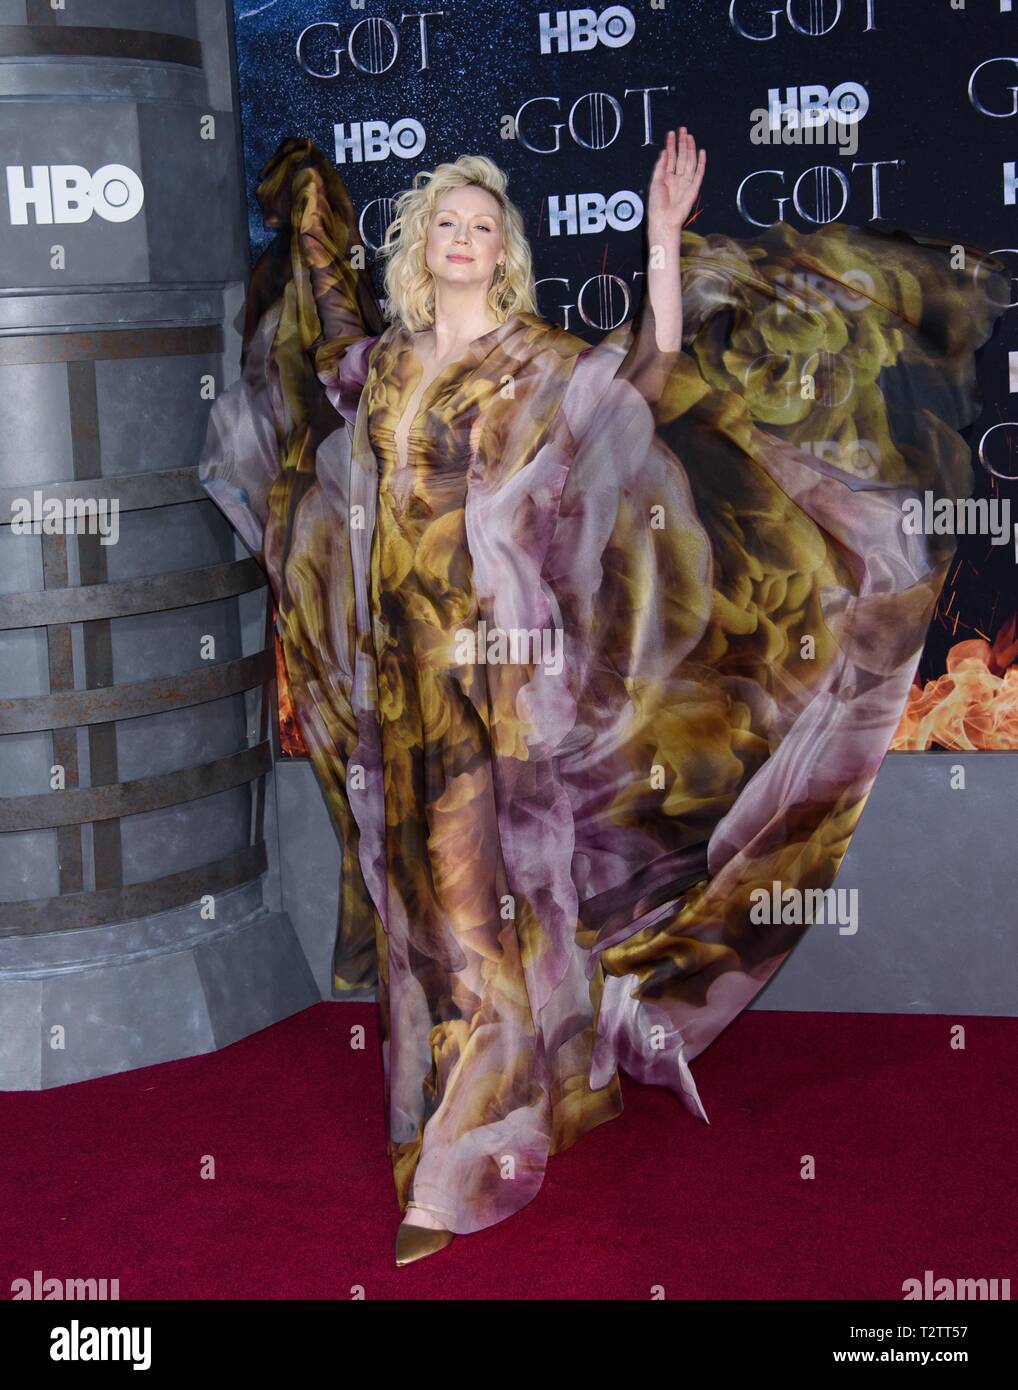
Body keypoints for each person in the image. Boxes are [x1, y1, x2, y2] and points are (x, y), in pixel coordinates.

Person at [198, 129, 1007, 1267]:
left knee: (474, 908)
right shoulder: (382, 365)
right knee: (420, 915)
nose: (467, 239)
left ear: (504, 252)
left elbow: (646, 370)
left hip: (498, 682)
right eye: (449, 223)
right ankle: (554, 1079)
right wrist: (312, 220)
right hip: (402, 677)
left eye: (485, 226)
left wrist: (662, 241)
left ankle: (456, 1166)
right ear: (423, 246)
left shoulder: (533, 363)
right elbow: (324, 348)